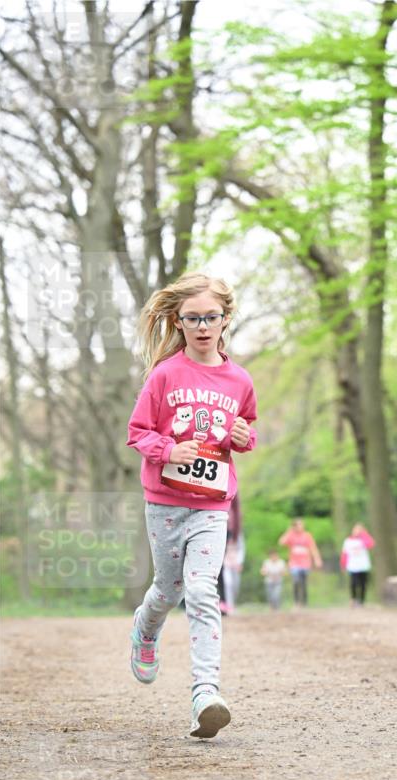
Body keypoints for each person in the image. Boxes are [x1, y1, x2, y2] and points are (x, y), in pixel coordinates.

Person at [126, 272, 257, 738]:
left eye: (212, 317)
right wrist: (167, 450)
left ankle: (206, 693)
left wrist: (244, 437)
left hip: (211, 506)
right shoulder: (165, 375)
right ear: (178, 323)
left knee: (203, 590)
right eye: (193, 318)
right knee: (168, 588)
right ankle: (145, 630)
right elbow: (137, 431)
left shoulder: (239, 379)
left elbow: (246, 429)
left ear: (226, 320)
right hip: (164, 502)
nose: (203, 326)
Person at [278, 518, 322, 607]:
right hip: (294, 563)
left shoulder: (307, 536)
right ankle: (296, 601)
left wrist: (317, 559)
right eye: (298, 525)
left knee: (303, 582)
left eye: (301, 524)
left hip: (305, 563)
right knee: (296, 581)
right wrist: (289, 531)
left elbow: (313, 548)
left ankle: (304, 602)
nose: (300, 526)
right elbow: (281, 542)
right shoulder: (291, 535)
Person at [340, 523, 375, 605]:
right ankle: (353, 598)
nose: (357, 531)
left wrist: (364, 534)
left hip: (363, 565)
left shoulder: (363, 540)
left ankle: (362, 600)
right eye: (355, 529)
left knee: (363, 583)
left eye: (359, 530)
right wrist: (343, 564)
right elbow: (345, 553)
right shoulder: (348, 541)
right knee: (353, 582)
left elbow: (371, 543)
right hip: (353, 565)